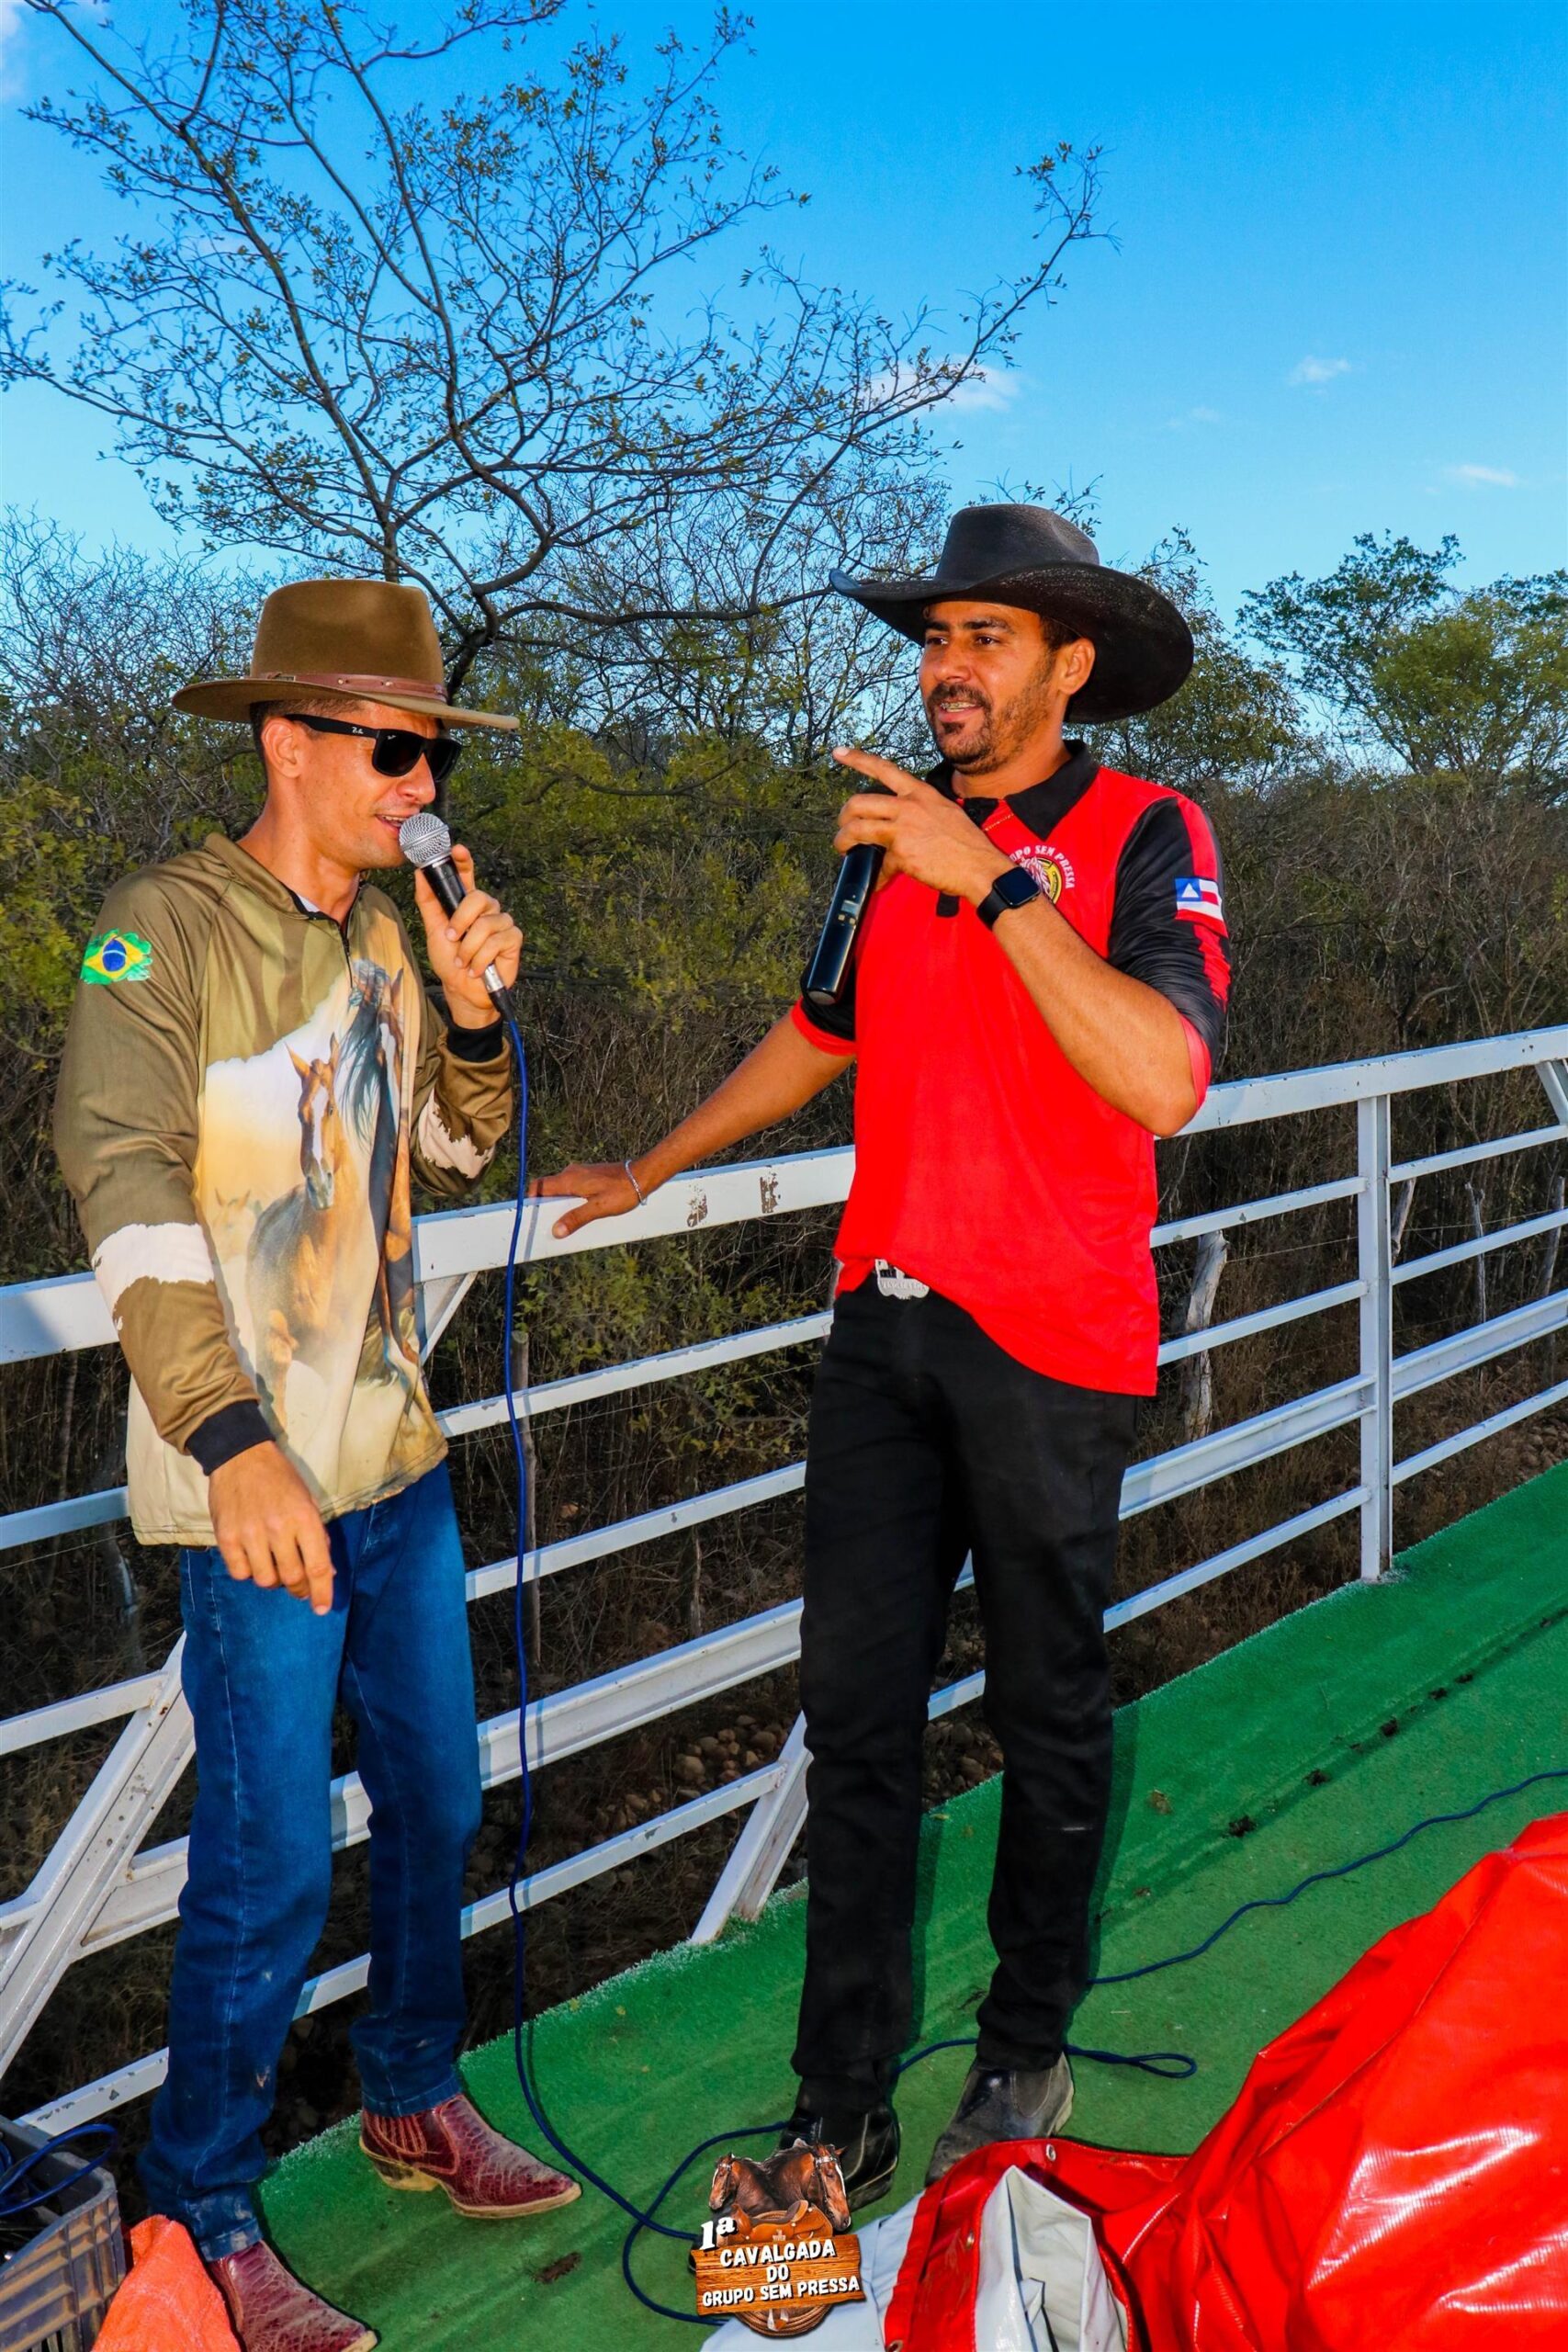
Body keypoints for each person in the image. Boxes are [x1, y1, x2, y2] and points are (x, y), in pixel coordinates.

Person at [536, 504, 1231, 2205]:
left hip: (1052, 1341)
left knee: (1046, 1713)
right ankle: (834, 2103)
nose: (946, 669)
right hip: (884, 1324)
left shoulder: (1147, 830)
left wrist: (990, 880)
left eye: (984, 637)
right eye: (934, 639)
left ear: (1070, 664)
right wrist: (654, 1165)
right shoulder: (884, 837)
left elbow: (1160, 1077)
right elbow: (818, 1031)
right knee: (853, 1726)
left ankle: (1023, 2042)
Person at [54, 581, 578, 2352]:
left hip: (392, 1460)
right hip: (252, 1483)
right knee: (271, 1857)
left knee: (438, 1801)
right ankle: (197, 2207)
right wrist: (227, 1438)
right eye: (392, 750)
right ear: (288, 741)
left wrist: (473, 1013)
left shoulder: (384, 942)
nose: (420, 785)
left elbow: (452, 1148)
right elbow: (122, 1184)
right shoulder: (159, 930)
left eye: (431, 756)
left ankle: (412, 2091)